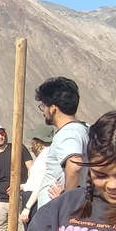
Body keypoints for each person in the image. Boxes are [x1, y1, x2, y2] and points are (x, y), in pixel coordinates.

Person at [33, 77, 88, 206]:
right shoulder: (84, 129)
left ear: (53, 108)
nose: (43, 111)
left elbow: (74, 165)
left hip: (57, 212)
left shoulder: (68, 133)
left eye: (44, 106)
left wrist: (67, 200)